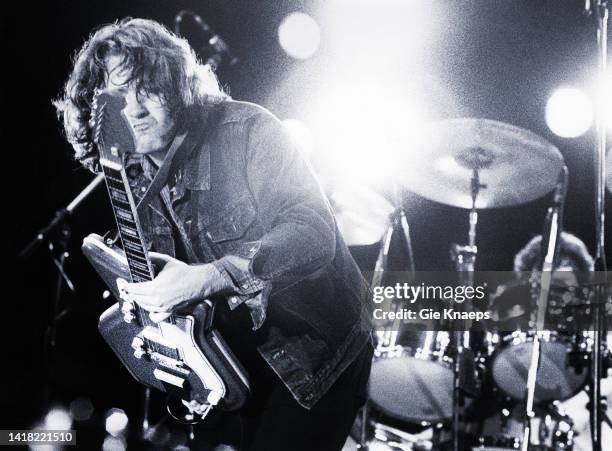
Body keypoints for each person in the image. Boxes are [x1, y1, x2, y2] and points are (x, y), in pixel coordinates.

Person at [54, 18, 372, 450]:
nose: (134, 111)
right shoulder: (129, 169)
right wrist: (149, 300)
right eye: (117, 98)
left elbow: (313, 232)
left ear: (175, 82)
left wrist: (205, 278)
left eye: (144, 88)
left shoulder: (248, 130)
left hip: (310, 359)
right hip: (222, 366)